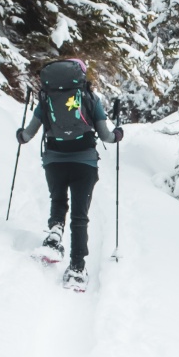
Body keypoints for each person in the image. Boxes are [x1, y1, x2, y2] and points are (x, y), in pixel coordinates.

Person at [16, 58, 123, 288]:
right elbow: (106, 136)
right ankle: (76, 269)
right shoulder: (91, 99)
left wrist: (20, 135)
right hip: (85, 162)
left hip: (54, 161)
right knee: (79, 215)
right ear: (82, 78)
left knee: (58, 200)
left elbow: (27, 135)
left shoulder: (45, 99)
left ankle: (54, 235)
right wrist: (118, 135)